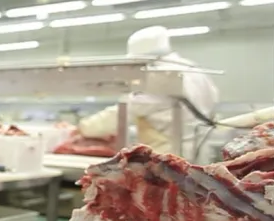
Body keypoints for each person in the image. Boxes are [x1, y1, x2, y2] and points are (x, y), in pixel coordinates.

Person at [77, 25, 219, 155]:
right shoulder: (192, 68)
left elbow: (127, 110)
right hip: (200, 145)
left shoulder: (159, 75)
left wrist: (86, 127)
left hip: (170, 151)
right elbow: (213, 97)